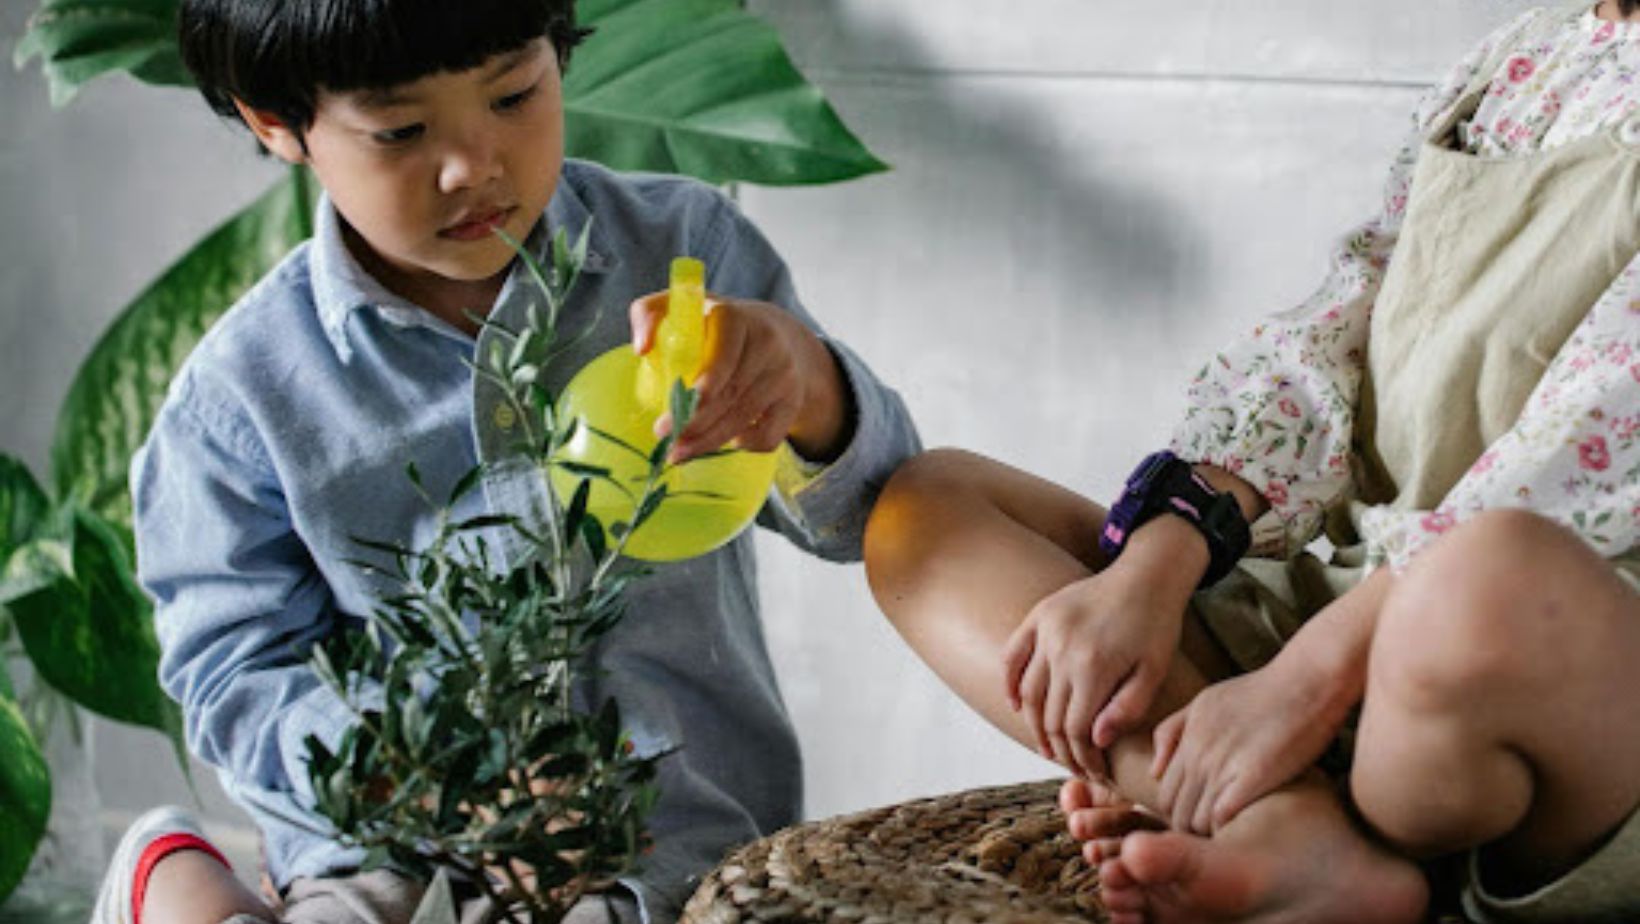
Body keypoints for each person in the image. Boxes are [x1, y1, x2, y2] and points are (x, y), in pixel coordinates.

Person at [91, 1, 919, 923]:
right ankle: (175, 886)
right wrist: (423, 769)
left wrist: (804, 386)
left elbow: (872, 509)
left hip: (684, 851)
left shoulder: (686, 250)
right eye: (402, 130)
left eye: (515, 95)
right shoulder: (242, 399)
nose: (473, 165)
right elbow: (234, 671)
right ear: (276, 122)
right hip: (391, 856)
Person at [864, 2, 1640, 922]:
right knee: (934, 508)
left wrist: (1304, 686)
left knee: (1485, 576)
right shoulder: (1528, 52)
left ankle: (1292, 790)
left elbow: (1582, 455)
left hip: (1547, 668)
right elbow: (1333, 334)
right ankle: (1283, 826)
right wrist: (1158, 564)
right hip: (1342, 610)